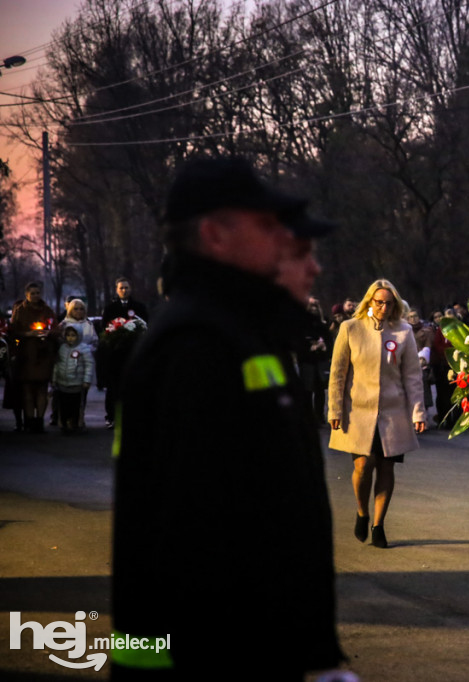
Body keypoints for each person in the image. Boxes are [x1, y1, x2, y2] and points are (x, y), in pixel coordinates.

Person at [111, 156, 349, 679]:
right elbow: (189, 538)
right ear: (216, 235)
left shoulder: (239, 331)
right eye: (265, 226)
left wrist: (314, 650)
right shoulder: (196, 343)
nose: (287, 245)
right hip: (213, 658)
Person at [328, 280, 428, 549]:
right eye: (378, 302)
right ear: (369, 301)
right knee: (363, 465)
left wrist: (418, 412)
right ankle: (362, 512)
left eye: (389, 302)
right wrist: (335, 408)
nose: (384, 307)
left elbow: (412, 377)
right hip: (357, 411)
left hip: (393, 412)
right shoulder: (350, 328)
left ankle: (378, 525)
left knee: (386, 467)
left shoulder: (404, 332)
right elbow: (338, 373)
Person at [101, 278, 150, 429]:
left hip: (134, 352)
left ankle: (133, 417)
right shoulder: (110, 309)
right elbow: (104, 329)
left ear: (131, 289)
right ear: (116, 290)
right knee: (113, 387)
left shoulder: (139, 307)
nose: (124, 290)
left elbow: (146, 326)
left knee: (133, 386)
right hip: (115, 354)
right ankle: (111, 417)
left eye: (126, 288)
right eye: (121, 288)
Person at [9, 281, 58, 433]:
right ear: (26, 295)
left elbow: (56, 328)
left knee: (42, 389)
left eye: (38, 293)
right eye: (33, 294)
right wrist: (28, 334)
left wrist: (48, 333)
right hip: (26, 354)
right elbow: (13, 331)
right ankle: (29, 420)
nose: (36, 296)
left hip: (43, 354)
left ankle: (39, 420)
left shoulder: (47, 310)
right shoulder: (20, 310)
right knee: (27, 389)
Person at [51, 326, 94, 435]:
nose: (70, 338)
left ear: (78, 336)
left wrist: (87, 380)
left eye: (73, 336)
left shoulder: (84, 349)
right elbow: (57, 364)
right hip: (63, 383)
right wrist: (54, 379)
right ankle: (64, 423)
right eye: (68, 335)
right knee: (64, 405)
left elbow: (89, 365)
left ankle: (75, 423)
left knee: (76, 405)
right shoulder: (62, 348)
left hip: (77, 384)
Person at [298, 297, 332, 424]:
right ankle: (308, 416)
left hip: (320, 362)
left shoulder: (322, 325)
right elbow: (297, 343)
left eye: (316, 307)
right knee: (307, 390)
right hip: (307, 362)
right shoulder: (301, 325)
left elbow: (329, 341)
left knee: (320, 391)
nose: (314, 309)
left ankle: (319, 416)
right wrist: (309, 347)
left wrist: (324, 347)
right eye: (311, 306)